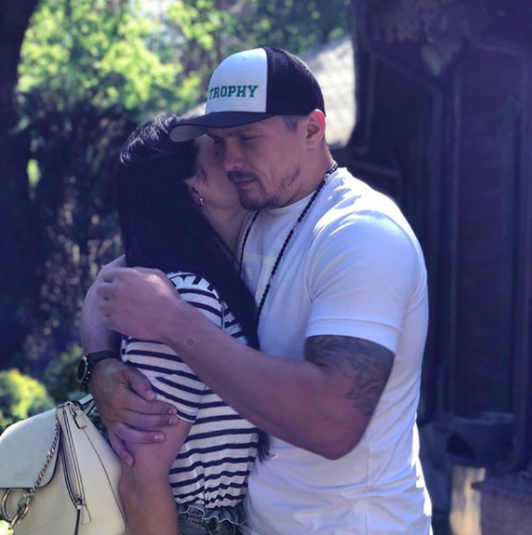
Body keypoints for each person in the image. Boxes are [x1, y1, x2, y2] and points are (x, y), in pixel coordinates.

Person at [84, 47, 433, 534]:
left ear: (312, 129)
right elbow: (115, 281)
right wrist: (101, 367)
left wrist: (174, 323)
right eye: (218, 142)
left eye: (247, 138)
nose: (230, 160)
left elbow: (333, 423)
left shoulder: (361, 234)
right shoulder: (249, 211)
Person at [87, 115, 266, 535]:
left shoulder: (199, 280)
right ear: (194, 188)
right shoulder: (186, 296)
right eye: (217, 149)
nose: (233, 157)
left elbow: (107, 279)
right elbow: (142, 477)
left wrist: (98, 362)